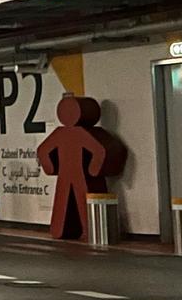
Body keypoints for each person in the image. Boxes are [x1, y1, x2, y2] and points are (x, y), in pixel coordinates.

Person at [36, 95, 126, 240]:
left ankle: (68, 229)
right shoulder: (84, 134)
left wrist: (51, 168)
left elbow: (43, 151)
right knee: (82, 199)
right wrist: (94, 169)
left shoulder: (63, 133)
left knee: (69, 199)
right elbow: (101, 151)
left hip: (69, 175)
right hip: (81, 175)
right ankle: (86, 230)